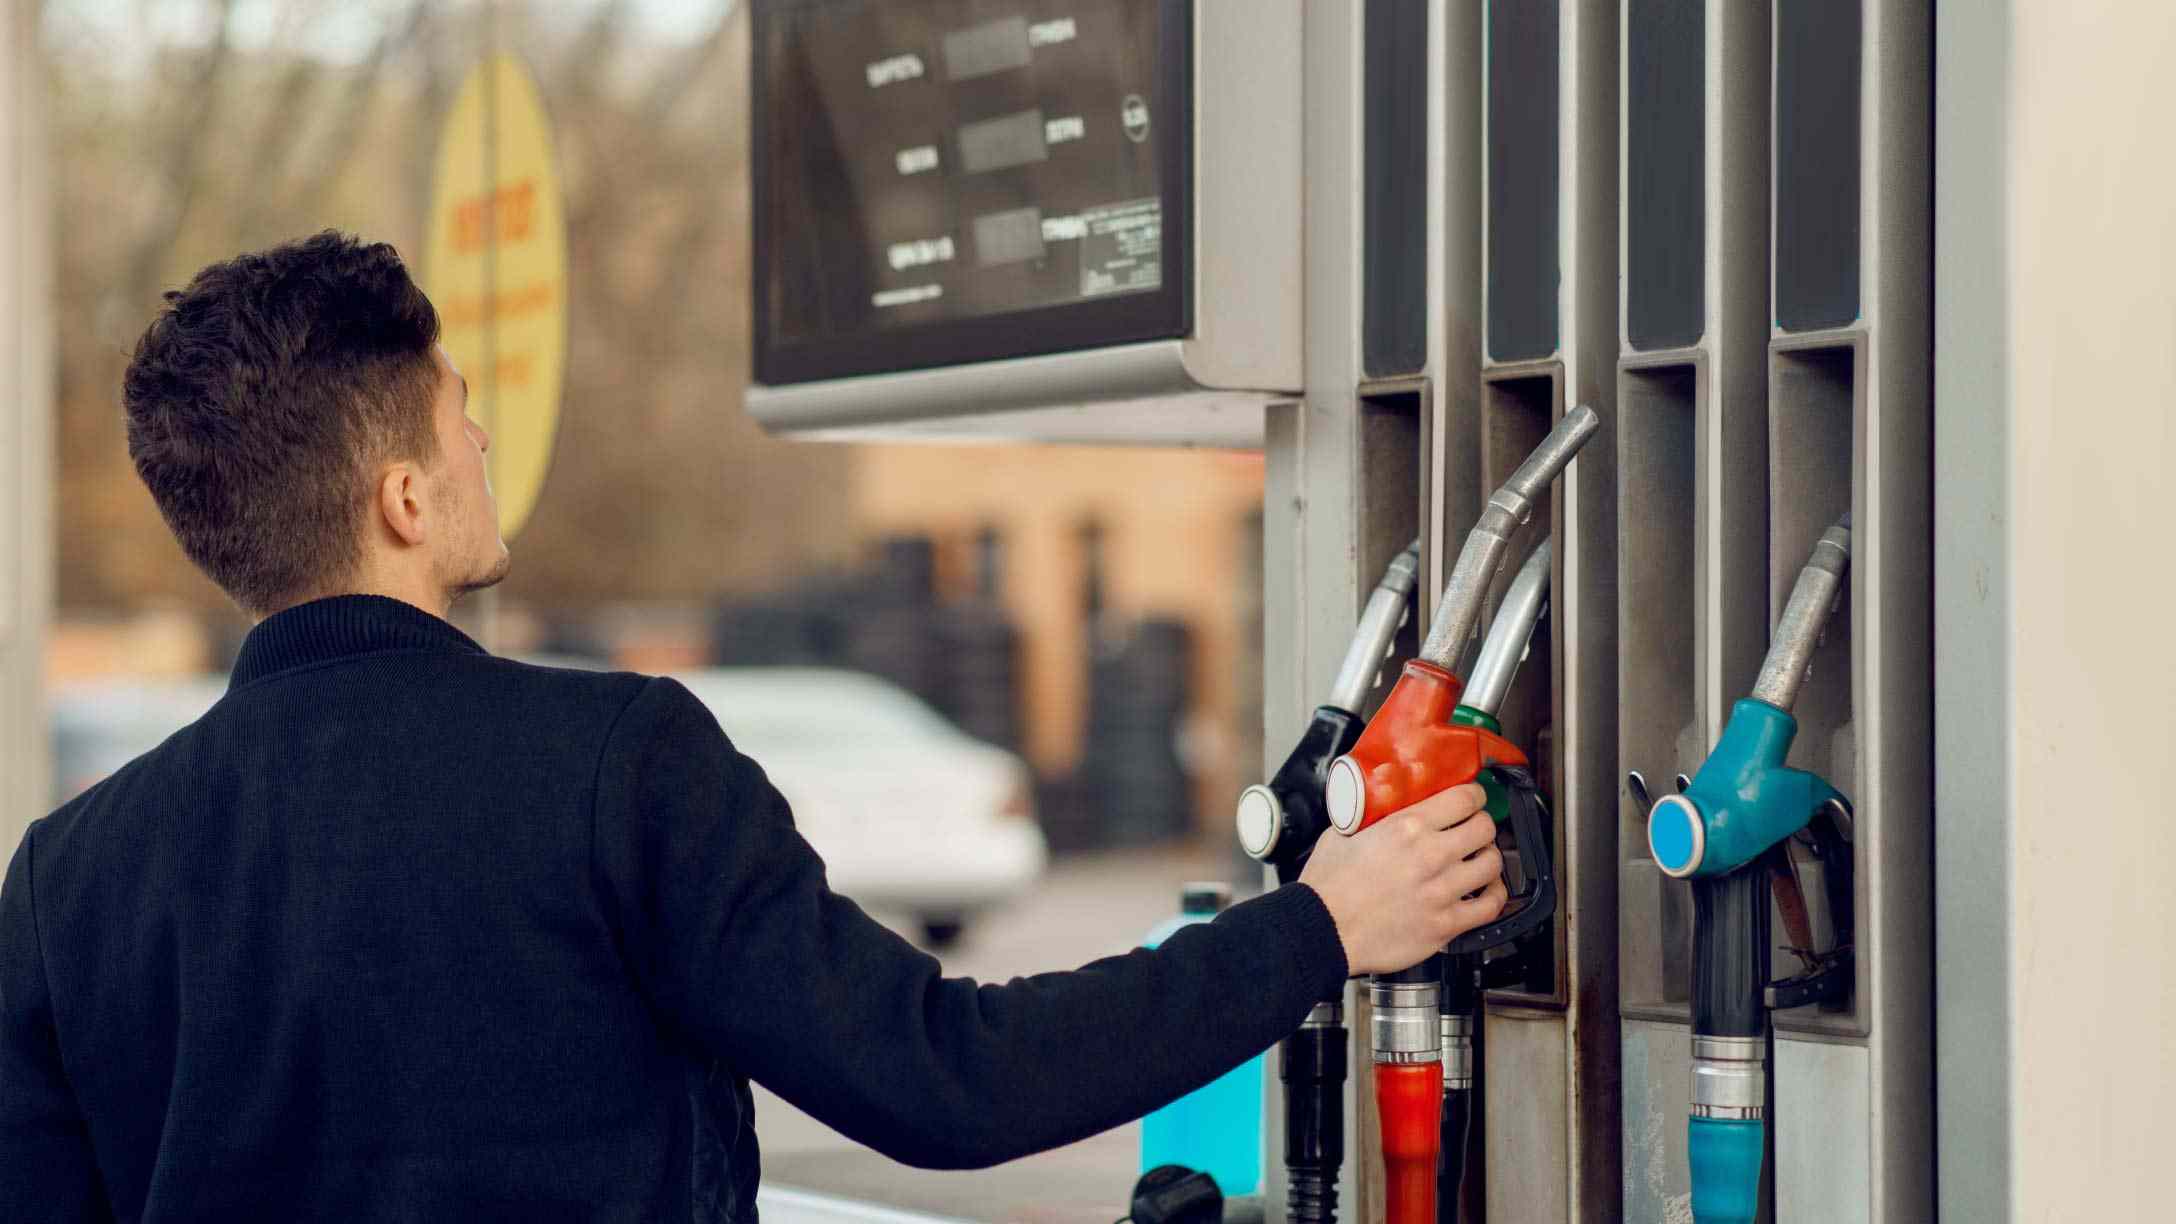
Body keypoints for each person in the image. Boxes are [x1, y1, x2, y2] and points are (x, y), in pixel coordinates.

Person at [0, 233, 1508, 1223]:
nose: (476, 439)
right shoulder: (615, 768)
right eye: (455, 411)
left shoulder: (68, 882)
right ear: (402, 499)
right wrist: (1321, 927)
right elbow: (947, 1079)